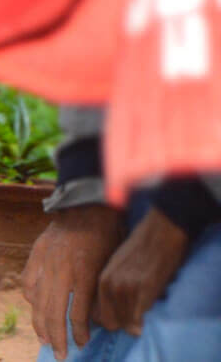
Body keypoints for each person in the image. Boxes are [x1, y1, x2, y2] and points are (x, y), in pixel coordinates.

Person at [23, 106, 221, 361]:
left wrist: (176, 214)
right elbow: (99, 70)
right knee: (75, 311)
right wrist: (85, 195)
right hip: (135, 190)